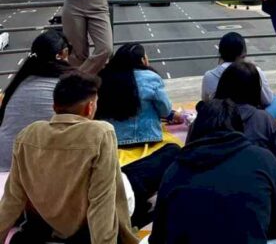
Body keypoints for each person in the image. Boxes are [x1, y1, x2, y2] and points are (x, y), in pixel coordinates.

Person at [0, 72, 137, 244]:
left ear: (54, 106)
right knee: (150, 167)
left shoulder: (28, 134)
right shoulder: (100, 132)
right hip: (84, 231)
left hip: (43, 226)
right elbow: (101, 202)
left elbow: (12, 199)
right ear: (90, 107)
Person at [149, 98, 276, 244]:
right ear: (240, 128)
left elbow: (158, 237)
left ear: (196, 129)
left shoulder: (175, 170)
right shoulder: (264, 159)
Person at [96, 43, 183, 226]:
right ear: (142, 60)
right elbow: (164, 109)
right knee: (176, 150)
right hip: (148, 140)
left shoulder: (105, 78)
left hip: (114, 140)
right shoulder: (151, 78)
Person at [214, 61, 276, 189]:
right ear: (255, 90)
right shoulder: (264, 119)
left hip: (211, 189)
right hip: (255, 191)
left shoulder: (205, 117)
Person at [0, 31, 73, 172]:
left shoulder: (20, 82)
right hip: (36, 167)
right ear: (63, 54)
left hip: (5, 159)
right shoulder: (66, 85)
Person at [201, 32, 276, 119]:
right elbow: (268, 100)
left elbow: (206, 101)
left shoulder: (209, 75)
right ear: (243, 54)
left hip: (222, 121)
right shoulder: (255, 71)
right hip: (250, 122)